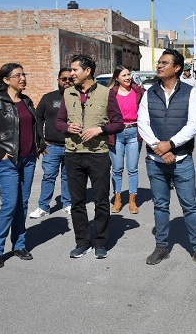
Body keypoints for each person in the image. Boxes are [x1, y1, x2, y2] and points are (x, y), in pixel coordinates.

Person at [137, 48, 196, 269]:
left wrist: (170, 144)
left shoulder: (189, 92)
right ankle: (161, 246)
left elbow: (194, 124)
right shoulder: (149, 92)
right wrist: (159, 148)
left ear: (177, 67)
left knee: (189, 205)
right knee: (160, 205)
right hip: (155, 160)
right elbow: (143, 123)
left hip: (182, 160)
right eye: (159, 62)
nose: (159, 66)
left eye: (164, 62)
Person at [55, 54, 124, 259]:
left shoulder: (106, 93)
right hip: (73, 154)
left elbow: (118, 123)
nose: (71, 74)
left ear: (88, 71)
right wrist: (67, 127)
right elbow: (58, 123)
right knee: (77, 202)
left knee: (101, 200)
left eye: (75, 70)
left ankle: (100, 242)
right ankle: (82, 242)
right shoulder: (67, 93)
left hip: (98, 155)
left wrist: (100, 129)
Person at [0, 63, 39, 268]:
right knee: (10, 205)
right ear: (6, 80)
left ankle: (19, 245)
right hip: (7, 161)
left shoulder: (27, 101)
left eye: (24, 74)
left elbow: (32, 127)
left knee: (22, 204)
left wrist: (39, 145)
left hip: (28, 159)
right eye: (18, 75)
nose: (23, 78)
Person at [29, 67, 73, 219]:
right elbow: (37, 119)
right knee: (49, 176)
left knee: (68, 176)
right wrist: (41, 140)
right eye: (64, 79)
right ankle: (43, 207)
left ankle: (67, 204)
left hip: (71, 145)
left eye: (70, 79)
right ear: (58, 80)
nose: (67, 81)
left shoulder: (77, 97)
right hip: (52, 147)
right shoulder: (48, 98)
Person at [108, 65, 145, 214]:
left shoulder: (139, 92)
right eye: (124, 75)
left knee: (132, 169)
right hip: (116, 133)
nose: (127, 77)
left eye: (128, 74)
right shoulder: (111, 94)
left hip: (133, 132)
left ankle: (132, 200)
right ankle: (117, 199)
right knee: (116, 169)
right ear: (117, 78)